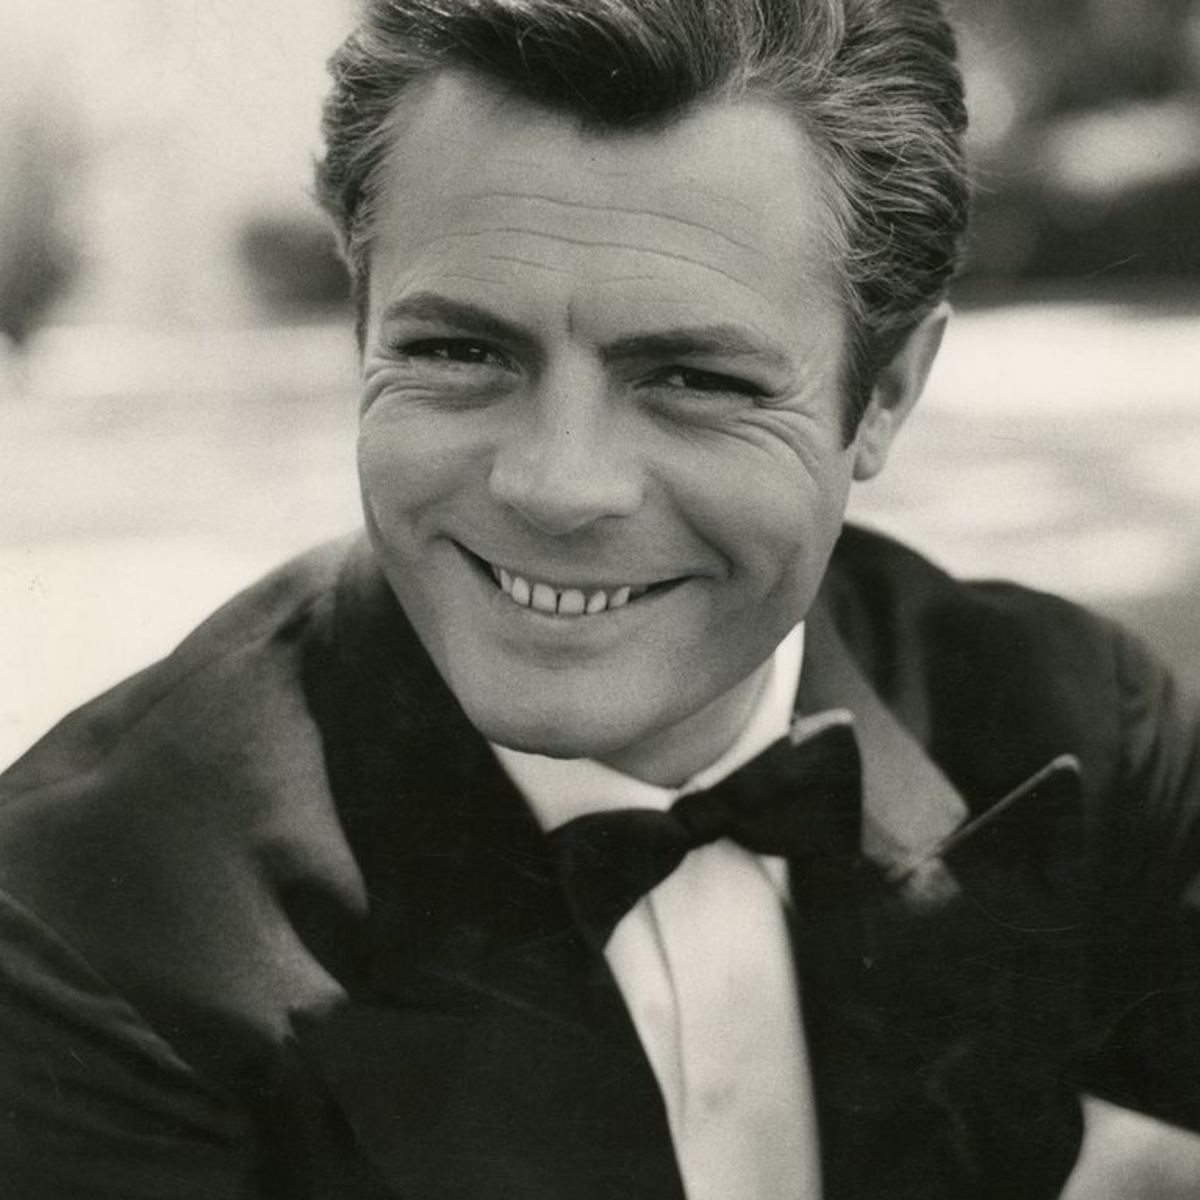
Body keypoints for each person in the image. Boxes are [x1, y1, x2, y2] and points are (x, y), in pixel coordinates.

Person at [1, 1, 1198, 1197]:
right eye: (459, 352)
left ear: (883, 396)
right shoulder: (83, 928)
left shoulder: (1077, 720)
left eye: (694, 377)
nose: (557, 486)